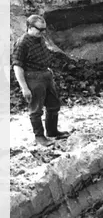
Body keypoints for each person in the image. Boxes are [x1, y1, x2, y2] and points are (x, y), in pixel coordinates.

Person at [12, 14, 70, 147]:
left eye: (44, 29)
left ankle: (52, 132)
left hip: (46, 75)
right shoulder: (22, 43)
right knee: (36, 109)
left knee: (53, 105)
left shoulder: (39, 37)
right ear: (30, 27)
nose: (43, 32)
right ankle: (39, 137)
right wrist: (24, 88)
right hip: (33, 78)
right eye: (40, 29)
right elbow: (17, 66)